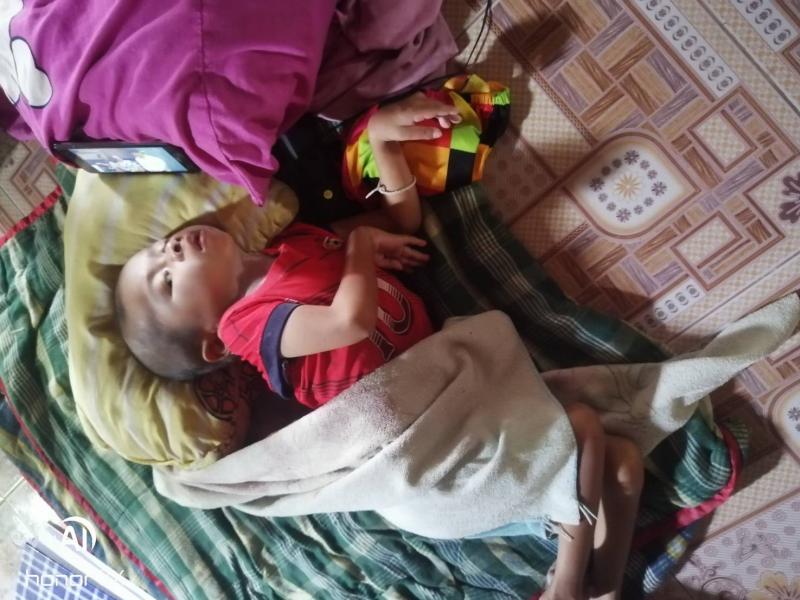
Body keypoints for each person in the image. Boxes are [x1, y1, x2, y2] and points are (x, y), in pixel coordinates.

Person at [115, 92, 644, 600]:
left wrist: (384, 143)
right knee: (581, 426)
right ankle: (564, 586)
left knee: (621, 462)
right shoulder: (245, 326)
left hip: (452, 393)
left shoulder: (294, 242)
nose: (171, 250)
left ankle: (604, 589)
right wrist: (361, 249)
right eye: (166, 281)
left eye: (159, 247)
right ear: (212, 344)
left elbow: (400, 222)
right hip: (414, 450)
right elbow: (347, 321)